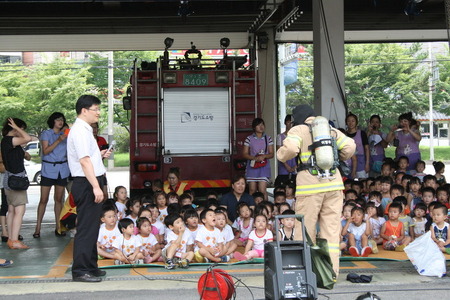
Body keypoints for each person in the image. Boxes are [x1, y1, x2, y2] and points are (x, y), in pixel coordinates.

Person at [277, 104, 356, 276]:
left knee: (305, 230)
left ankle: (304, 273)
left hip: (310, 187)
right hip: (334, 186)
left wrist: (280, 155)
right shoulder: (328, 128)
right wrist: (338, 159)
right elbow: (350, 146)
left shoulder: (298, 130)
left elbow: (290, 149)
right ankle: (331, 273)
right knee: (332, 231)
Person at [67, 95, 112, 282]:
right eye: (96, 109)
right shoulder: (79, 131)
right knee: (86, 228)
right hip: (86, 184)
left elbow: (88, 157)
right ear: (84, 110)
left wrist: (99, 155)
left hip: (89, 181)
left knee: (93, 227)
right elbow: (84, 161)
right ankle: (80, 270)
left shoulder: (85, 130)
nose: (98, 113)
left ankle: (91, 266)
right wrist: (96, 186)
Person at [34, 112, 70, 238]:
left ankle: (58, 227)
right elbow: (46, 150)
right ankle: (38, 227)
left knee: (58, 199)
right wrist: (59, 140)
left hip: (62, 169)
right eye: (57, 120)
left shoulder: (65, 135)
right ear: (53, 121)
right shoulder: (46, 133)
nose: (60, 122)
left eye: (62, 120)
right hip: (48, 168)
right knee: (43, 199)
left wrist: (65, 134)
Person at [1, 118, 32, 249]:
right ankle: (14, 240)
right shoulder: (10, 140)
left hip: (9, 179)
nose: (22, 132)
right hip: (16, 180)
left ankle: (11, 239)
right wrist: (17, 127)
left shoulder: (7, 141)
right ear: (14, 128)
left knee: (12, 210)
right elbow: (28, 138)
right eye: (21, 128)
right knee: (20, 209)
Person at [242, 118, 274, 200]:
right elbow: (244, 154)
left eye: (262, 124)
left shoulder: (268, 138)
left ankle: (266, 208)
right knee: (252, 190)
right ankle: (252, 208)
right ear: (254, 127)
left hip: (264, 167)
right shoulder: (249, 138)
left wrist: (264, 156)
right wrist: (254, 158)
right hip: (252, 167)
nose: (261, 127)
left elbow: (271, 154)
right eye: (258, 125)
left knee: (262, 190)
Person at [345, 112, 369, 179]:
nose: (351, 123)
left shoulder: (362, 133)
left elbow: (366, 149)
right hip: (348, 162)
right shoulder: (344, 134)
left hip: (361, 162)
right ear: (346, 122)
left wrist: (367, 164)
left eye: (353, 121)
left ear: (356, 122)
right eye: (348, 121)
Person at [275, 115, 297, 187]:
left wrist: (295, 167)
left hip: (295, 167)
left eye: (292, 123)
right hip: (283, 168)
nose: (290, 124)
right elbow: (279, 152)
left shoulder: (297, 137)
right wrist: (286, 166)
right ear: (285, 123)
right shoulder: (280, 137)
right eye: (288, 122)